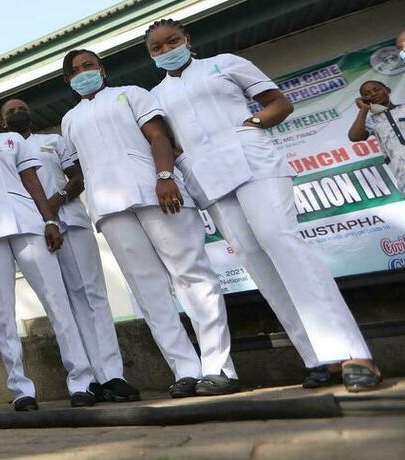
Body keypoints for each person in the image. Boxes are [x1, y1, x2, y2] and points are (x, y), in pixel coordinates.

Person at [147, 19, 382, 392]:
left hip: (253, 162)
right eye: (156, 48)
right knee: (256, 261)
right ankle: (318, 358)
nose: (165, 50)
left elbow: (279, 103)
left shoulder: (225, 63)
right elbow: (164, 140)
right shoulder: (155, 95)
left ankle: (354, 354)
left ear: (187, 40)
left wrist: (251, 123)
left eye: (171, 41)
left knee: (281, 241)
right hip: (209, 178)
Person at [60, 49, 238, 398]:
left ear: (102, 68)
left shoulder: (132, 94)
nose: (84, 73)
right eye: (76, 71)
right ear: (68, 80)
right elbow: (77, 169)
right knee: (149, 292)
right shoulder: (69, 119)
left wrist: (165, 176)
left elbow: (159, 137)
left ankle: (218, 368)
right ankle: (185, 369)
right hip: (110, 209)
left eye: (89, 66)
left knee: (191, 276)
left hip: (157, 192)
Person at [0, 93, 97, 411]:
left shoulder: (13, 140)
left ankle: (81, 382)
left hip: (28, 224)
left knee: (57, 302)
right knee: (2, 314)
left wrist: (50, 220)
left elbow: (32, 182)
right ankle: (21, 390)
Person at [0, 98, 140, 404]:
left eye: (22, 108)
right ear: (4, 123)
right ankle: (85, 379)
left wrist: (57, 200)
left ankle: (112, 376)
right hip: (34, 230)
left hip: (71, 221)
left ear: (31, 114)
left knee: (92, 295)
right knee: (61, 305)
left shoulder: (53, 141)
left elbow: (78, 176)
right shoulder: (2, 149)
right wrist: (42, 214)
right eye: (10, 112)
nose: (17, 113)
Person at [349, 80, 405, 196]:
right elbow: (354, 137)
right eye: (367, 93)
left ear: (387, 90)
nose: (373, 94)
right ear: (365, 99)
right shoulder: (371, 122)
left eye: (377, 89)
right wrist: (364, 109)